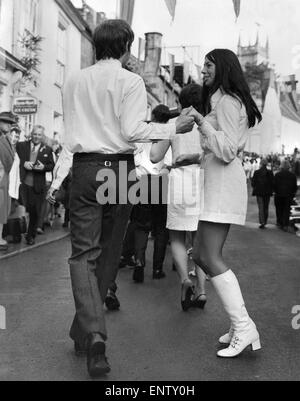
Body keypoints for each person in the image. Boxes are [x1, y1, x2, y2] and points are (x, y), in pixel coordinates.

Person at [62, 19, 195, 378]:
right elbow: (133, 131)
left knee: (82, 255)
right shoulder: (130, 80)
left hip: (86, 167)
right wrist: (173, 127)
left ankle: (88, 332)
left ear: (96, 45)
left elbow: (70, 131)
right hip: (120, 171)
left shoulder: (74, 79)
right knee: (108, 252)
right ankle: (91, 333)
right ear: (125, 47)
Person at [189, 49, 263, 358]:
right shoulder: (220, 101)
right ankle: (240, 324)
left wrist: (200, 122)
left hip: (222, 183)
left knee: (209, 255)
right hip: (214, 182)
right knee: (202, 255)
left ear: (223, 68)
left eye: (208, 65)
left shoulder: (230, 102)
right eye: (203, 65)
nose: (203, 70)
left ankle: (243, 327)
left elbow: (229, 150)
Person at [151, 84, 207, 312]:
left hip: (178, 182)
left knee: (176, 238)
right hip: (201, 181)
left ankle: (185, 280)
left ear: (181, 102)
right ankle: (202, 291)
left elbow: (155, 156)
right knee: (199, 240)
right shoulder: (207, 123)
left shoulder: (174, 126)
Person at [120, 104, 173, 285]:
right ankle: (157, 269)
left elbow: (133, 157)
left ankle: (139, 261)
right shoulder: (170, 134)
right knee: (160, 229)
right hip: (161, 181)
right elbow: (170, 162)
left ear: (153, 115)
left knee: (141, 225)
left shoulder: (143, 133)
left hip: (142, 181)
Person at [16, 125, 55, 245]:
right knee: (20, 209)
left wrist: (44, 167)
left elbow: (51, 166)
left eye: (39, 135)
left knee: (34, 211)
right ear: (31, 134)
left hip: (37, 186)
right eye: (35, 134)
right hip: (22, 184)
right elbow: (14, 160)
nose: (37, 137)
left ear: (42, 136)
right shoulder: (21, 146)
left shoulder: (47, 149)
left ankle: (30, 235)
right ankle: (16, 233)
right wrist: (23, 164)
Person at [0, 113, 17, 250]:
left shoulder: (5, 138)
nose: (10, 125)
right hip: (1, 178)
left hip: (4, 179)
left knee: (2, 208)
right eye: (6, 122)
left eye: (11, 123)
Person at [274, 160, 298, 232]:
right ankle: (285, 225)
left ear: (281, 166)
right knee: (286, 210)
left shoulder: (277, 175)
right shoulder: (293, 175)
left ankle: (279, 223)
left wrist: (276, 191)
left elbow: (274, 185)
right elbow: (294, 186)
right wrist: (293, 193)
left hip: (279, 195)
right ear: (289, 166)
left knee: (279, 209)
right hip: (288, 195)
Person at [252, 158, 274, 229]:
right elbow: (272, 183)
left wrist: (256, 187)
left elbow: (253, 183)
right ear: (266, 164)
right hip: (267, 192)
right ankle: (265, 221)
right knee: (266, 207)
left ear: (261, 164)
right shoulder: (270, 172)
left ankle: (262, 222)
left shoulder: (256, 172)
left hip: (259, 192)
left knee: (261, 207)